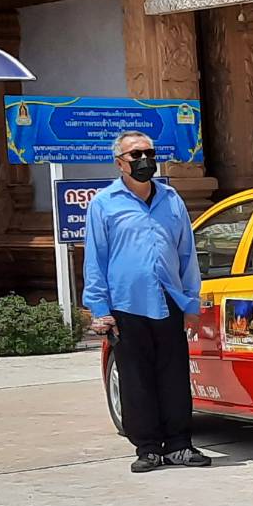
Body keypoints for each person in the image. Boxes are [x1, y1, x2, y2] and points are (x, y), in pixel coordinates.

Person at [83, 131, 211, 473]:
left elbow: (186, 253)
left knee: (174, 376)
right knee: (135, 379)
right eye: (136, 155)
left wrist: (191, 303)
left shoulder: (171, 199)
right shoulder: (104, 204)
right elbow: (96, 259)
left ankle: (180, 445)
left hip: (169, 300)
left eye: (149, 153)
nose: (144, 160)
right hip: (126, 304)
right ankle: (148, 449)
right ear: (119, 163)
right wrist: (99, 309)